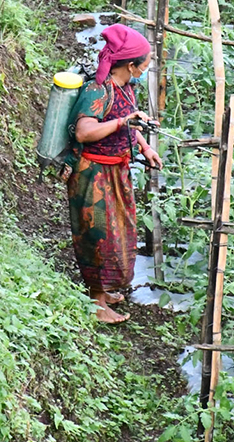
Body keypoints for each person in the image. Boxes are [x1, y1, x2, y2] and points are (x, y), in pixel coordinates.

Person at [67, 24, 163, 324]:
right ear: (130, 65)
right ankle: (96, 303)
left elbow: (129, 124)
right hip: (93, 175)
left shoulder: (126, 88)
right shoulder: (98, 90)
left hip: (116, 171)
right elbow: (85, 132)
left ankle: (103, 292)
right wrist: (123, 122)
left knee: (118, 233)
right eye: (145, 65)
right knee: (97, 236)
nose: (147, 69)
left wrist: (144, 146)